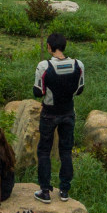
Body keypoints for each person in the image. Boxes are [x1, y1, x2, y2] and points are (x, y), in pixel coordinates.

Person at [32, 31, 85, 202]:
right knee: (66, 151)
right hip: (68, 112)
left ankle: (45, 191)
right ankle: (64, 191)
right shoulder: (78, 64)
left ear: (49, 47)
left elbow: (38, 92)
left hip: (49, 113)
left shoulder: (44, 66)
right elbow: (79, 90)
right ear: (64, 46)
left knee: (44, 151)